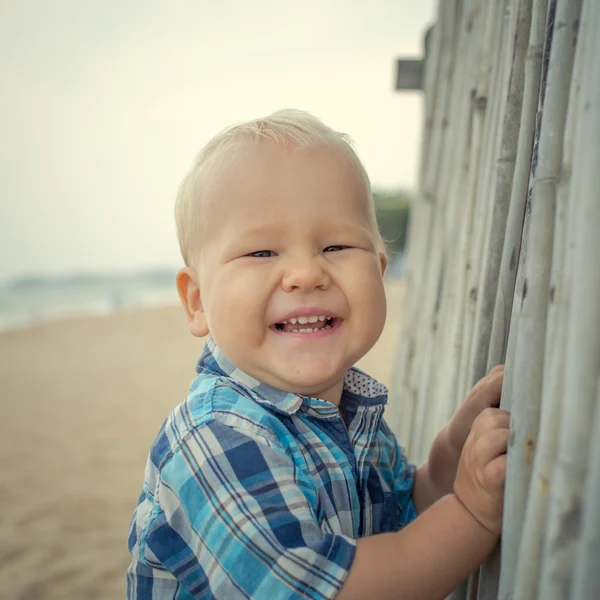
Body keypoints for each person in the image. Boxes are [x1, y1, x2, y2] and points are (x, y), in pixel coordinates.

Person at [126, 109, 510, 600]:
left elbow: (402, 519)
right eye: (262, 253)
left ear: (380, 269)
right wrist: (473, 516)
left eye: (336, 245)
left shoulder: (344, 410)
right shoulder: (219, 439)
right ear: (198, 301)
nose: (306, 273)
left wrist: (452, 458)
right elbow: (325, 589)